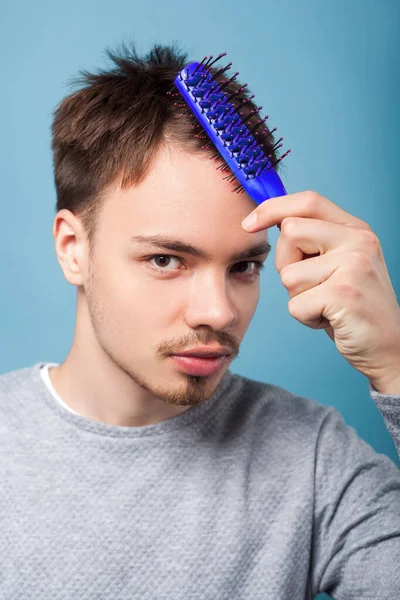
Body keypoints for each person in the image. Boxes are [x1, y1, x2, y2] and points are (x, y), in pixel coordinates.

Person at [1, 42, 399, 599]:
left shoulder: (314, 461)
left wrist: (396, 365)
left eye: (243, 265)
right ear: (73, 248)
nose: (219, 312)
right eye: (166, 260)